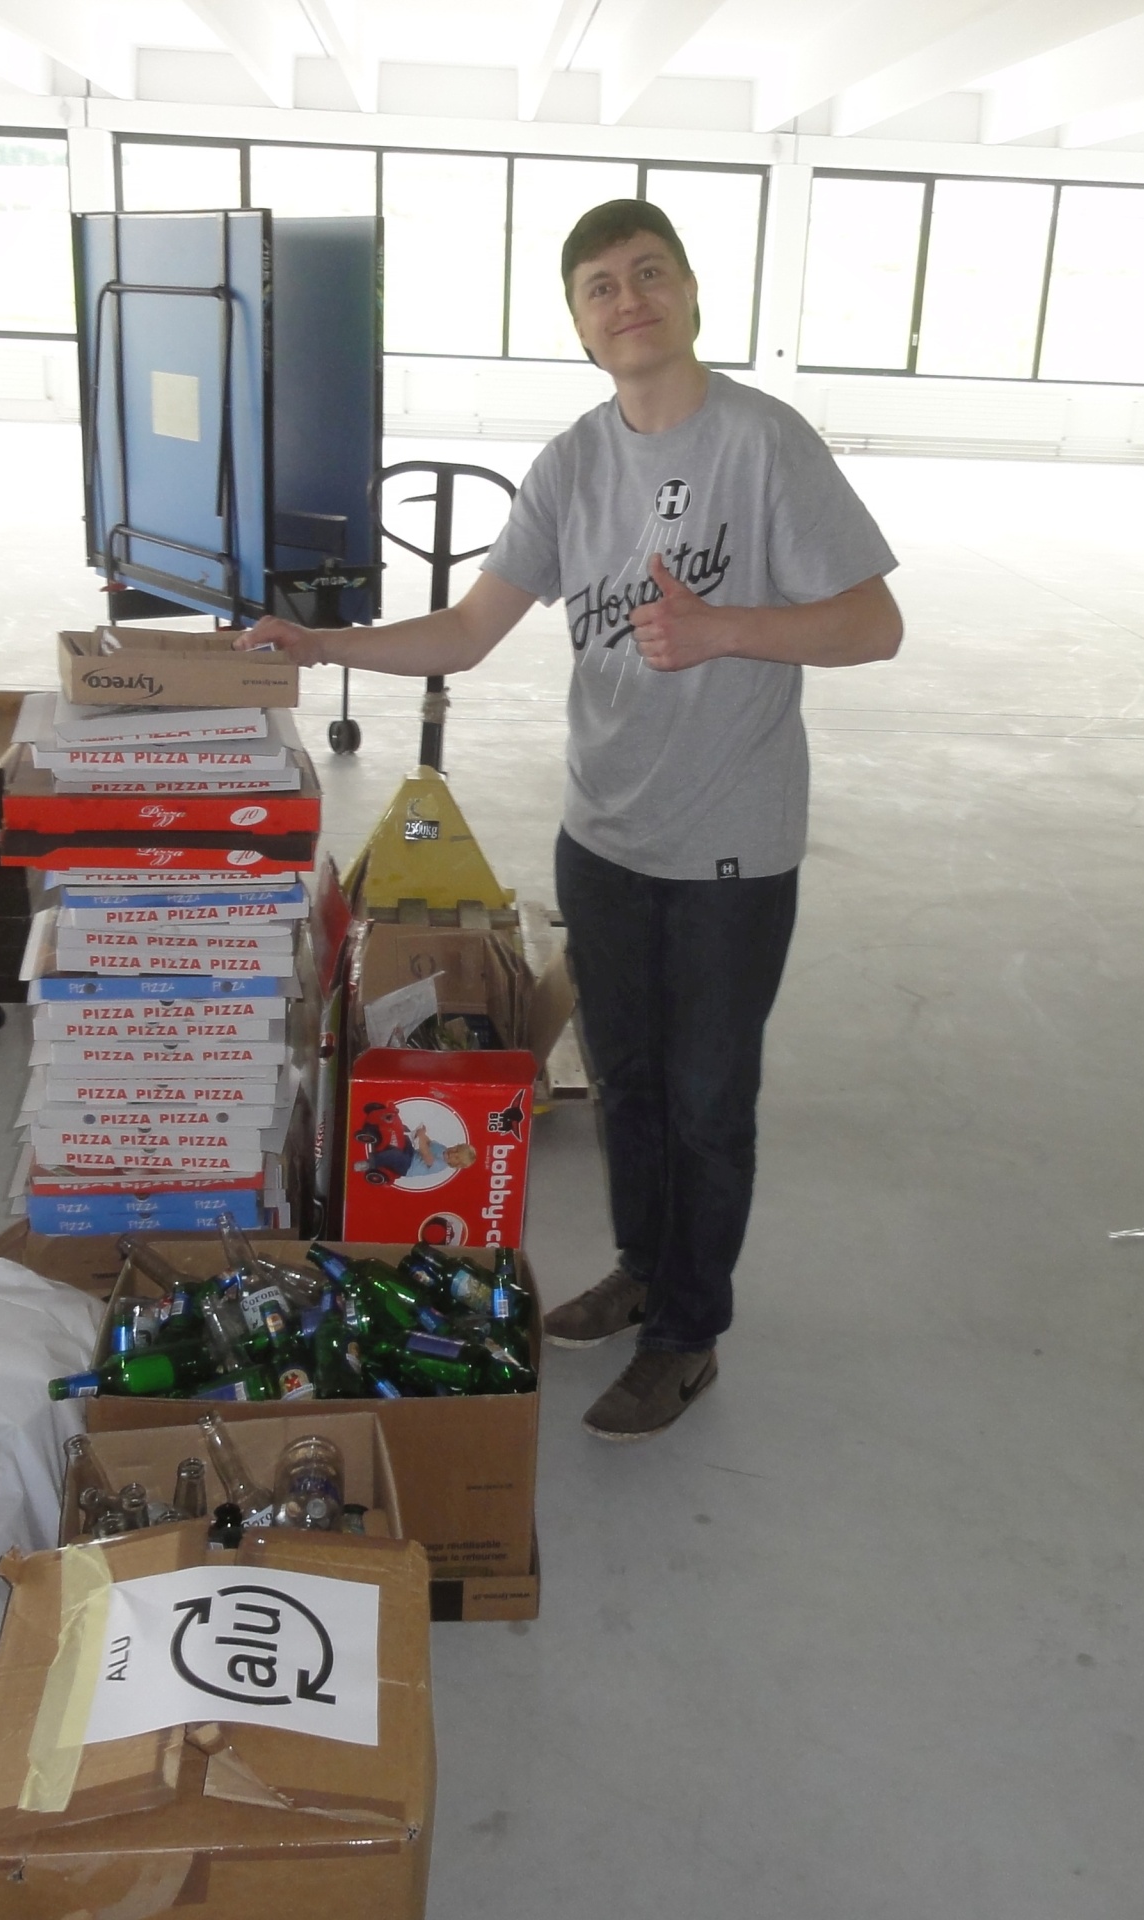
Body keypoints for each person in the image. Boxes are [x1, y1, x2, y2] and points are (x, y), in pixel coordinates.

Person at [242, 198, 901, 1441]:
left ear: (690, 293)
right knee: (630, 1084)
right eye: (599, 286)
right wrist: (319, 643)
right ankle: (645, 1270)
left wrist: (723, 628)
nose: (627, 299)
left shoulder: (764, 443)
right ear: (580, 325)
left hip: (730, 846)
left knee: (708, 1104)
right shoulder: (571, 464)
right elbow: (467, 632)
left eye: (648, 273)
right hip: (600, 834)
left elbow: (874, 624)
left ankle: (688, 1334)